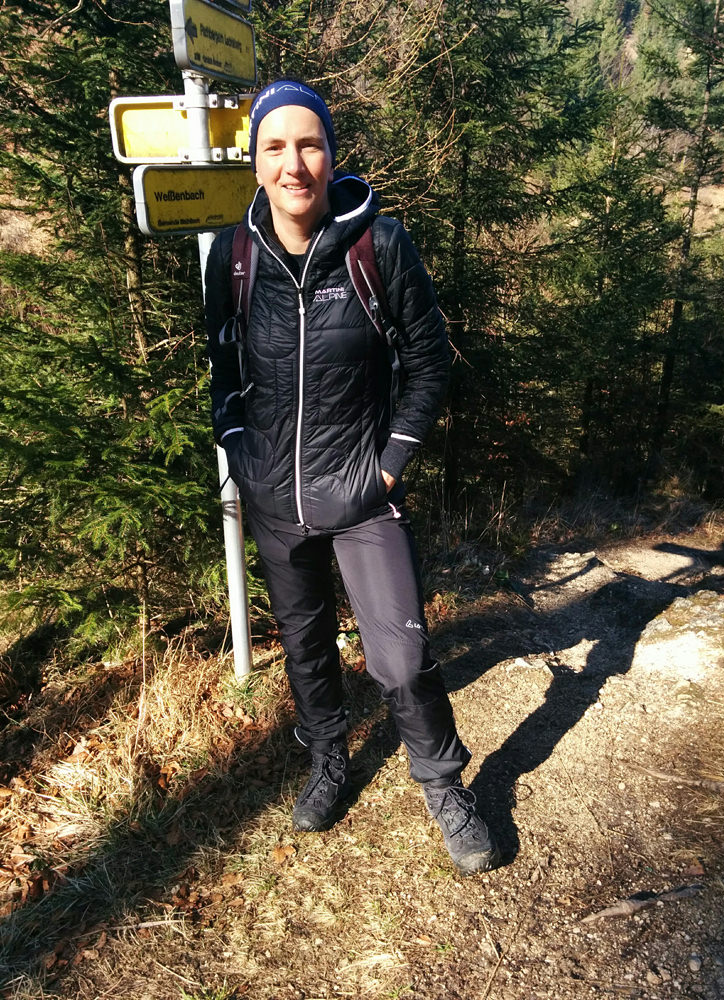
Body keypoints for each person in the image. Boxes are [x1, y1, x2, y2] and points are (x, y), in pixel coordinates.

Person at [204, 80, 499, 875]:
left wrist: (391, 464)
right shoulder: (234, 257)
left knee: (400, 658)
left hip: (363, 494)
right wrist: (238, 447)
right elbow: (222, 367)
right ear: (256, 162)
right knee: (305, 650)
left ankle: (444, 787)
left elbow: (430, 364)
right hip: (275, 499)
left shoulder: (379, 246)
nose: (293, 163)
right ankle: (329, 762)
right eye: (275, 147)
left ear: (332, 156)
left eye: (309, 144)